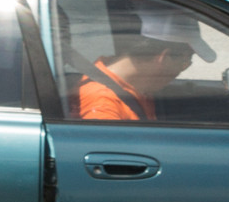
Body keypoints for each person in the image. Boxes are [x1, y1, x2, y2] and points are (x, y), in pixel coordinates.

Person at [75, 6, 216, 120]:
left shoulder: (135, 87)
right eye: (185, 61)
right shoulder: (104, 105)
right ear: (164, 57)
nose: (184, 68)